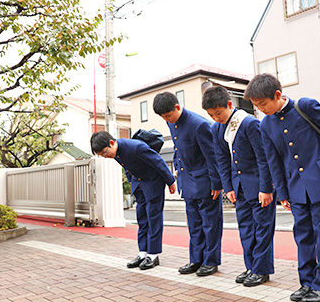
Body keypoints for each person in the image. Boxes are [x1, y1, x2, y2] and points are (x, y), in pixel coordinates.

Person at [244, 73, 320, 302]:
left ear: (277, 95)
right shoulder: (265, 124)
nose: (260, 110)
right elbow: (272, 160)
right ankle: (307, 282)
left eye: (263, 104)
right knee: (303, 236)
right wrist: (283, 193)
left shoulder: (304, 106)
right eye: (255, 107)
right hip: (295, 188)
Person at [201, 86, 276, 287]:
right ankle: (251, 266)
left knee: (262, 229)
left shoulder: (249, 123)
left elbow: (264, 158)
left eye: (219, 113)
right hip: (239, 188)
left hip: (259, 187)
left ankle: (261, 269)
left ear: (229, 105)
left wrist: (266, 188)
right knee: (246, 229)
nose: (217, 118)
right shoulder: (216, 128)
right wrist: (228, 187)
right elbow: (222, 160)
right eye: (211, 115)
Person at [153, 92, 223, 277]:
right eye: (164, 117)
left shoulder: (199, 124)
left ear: (177, 107)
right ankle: (196, 259)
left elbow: (212, 156)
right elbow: (177, 149)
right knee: (194, 224)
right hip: (187, 182)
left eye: (168, 115)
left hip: (205, 182)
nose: (167, 119)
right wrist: (177, 168)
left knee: (210, 224)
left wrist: (216, 183)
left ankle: (211, 261)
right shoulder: (171, 122)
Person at [90, 131, 176, 270]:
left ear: (111, 143)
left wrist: (171, 182)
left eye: (105, 153)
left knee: (153, 218)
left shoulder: (136, 147)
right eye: (102, 155)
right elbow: (127, 168)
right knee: (141, 219)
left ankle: (153, 255)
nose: (106, 157)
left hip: (153, 183)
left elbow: (158, 161)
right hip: (139, 184)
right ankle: (143, 253)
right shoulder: (116, 153)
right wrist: (132, 181)